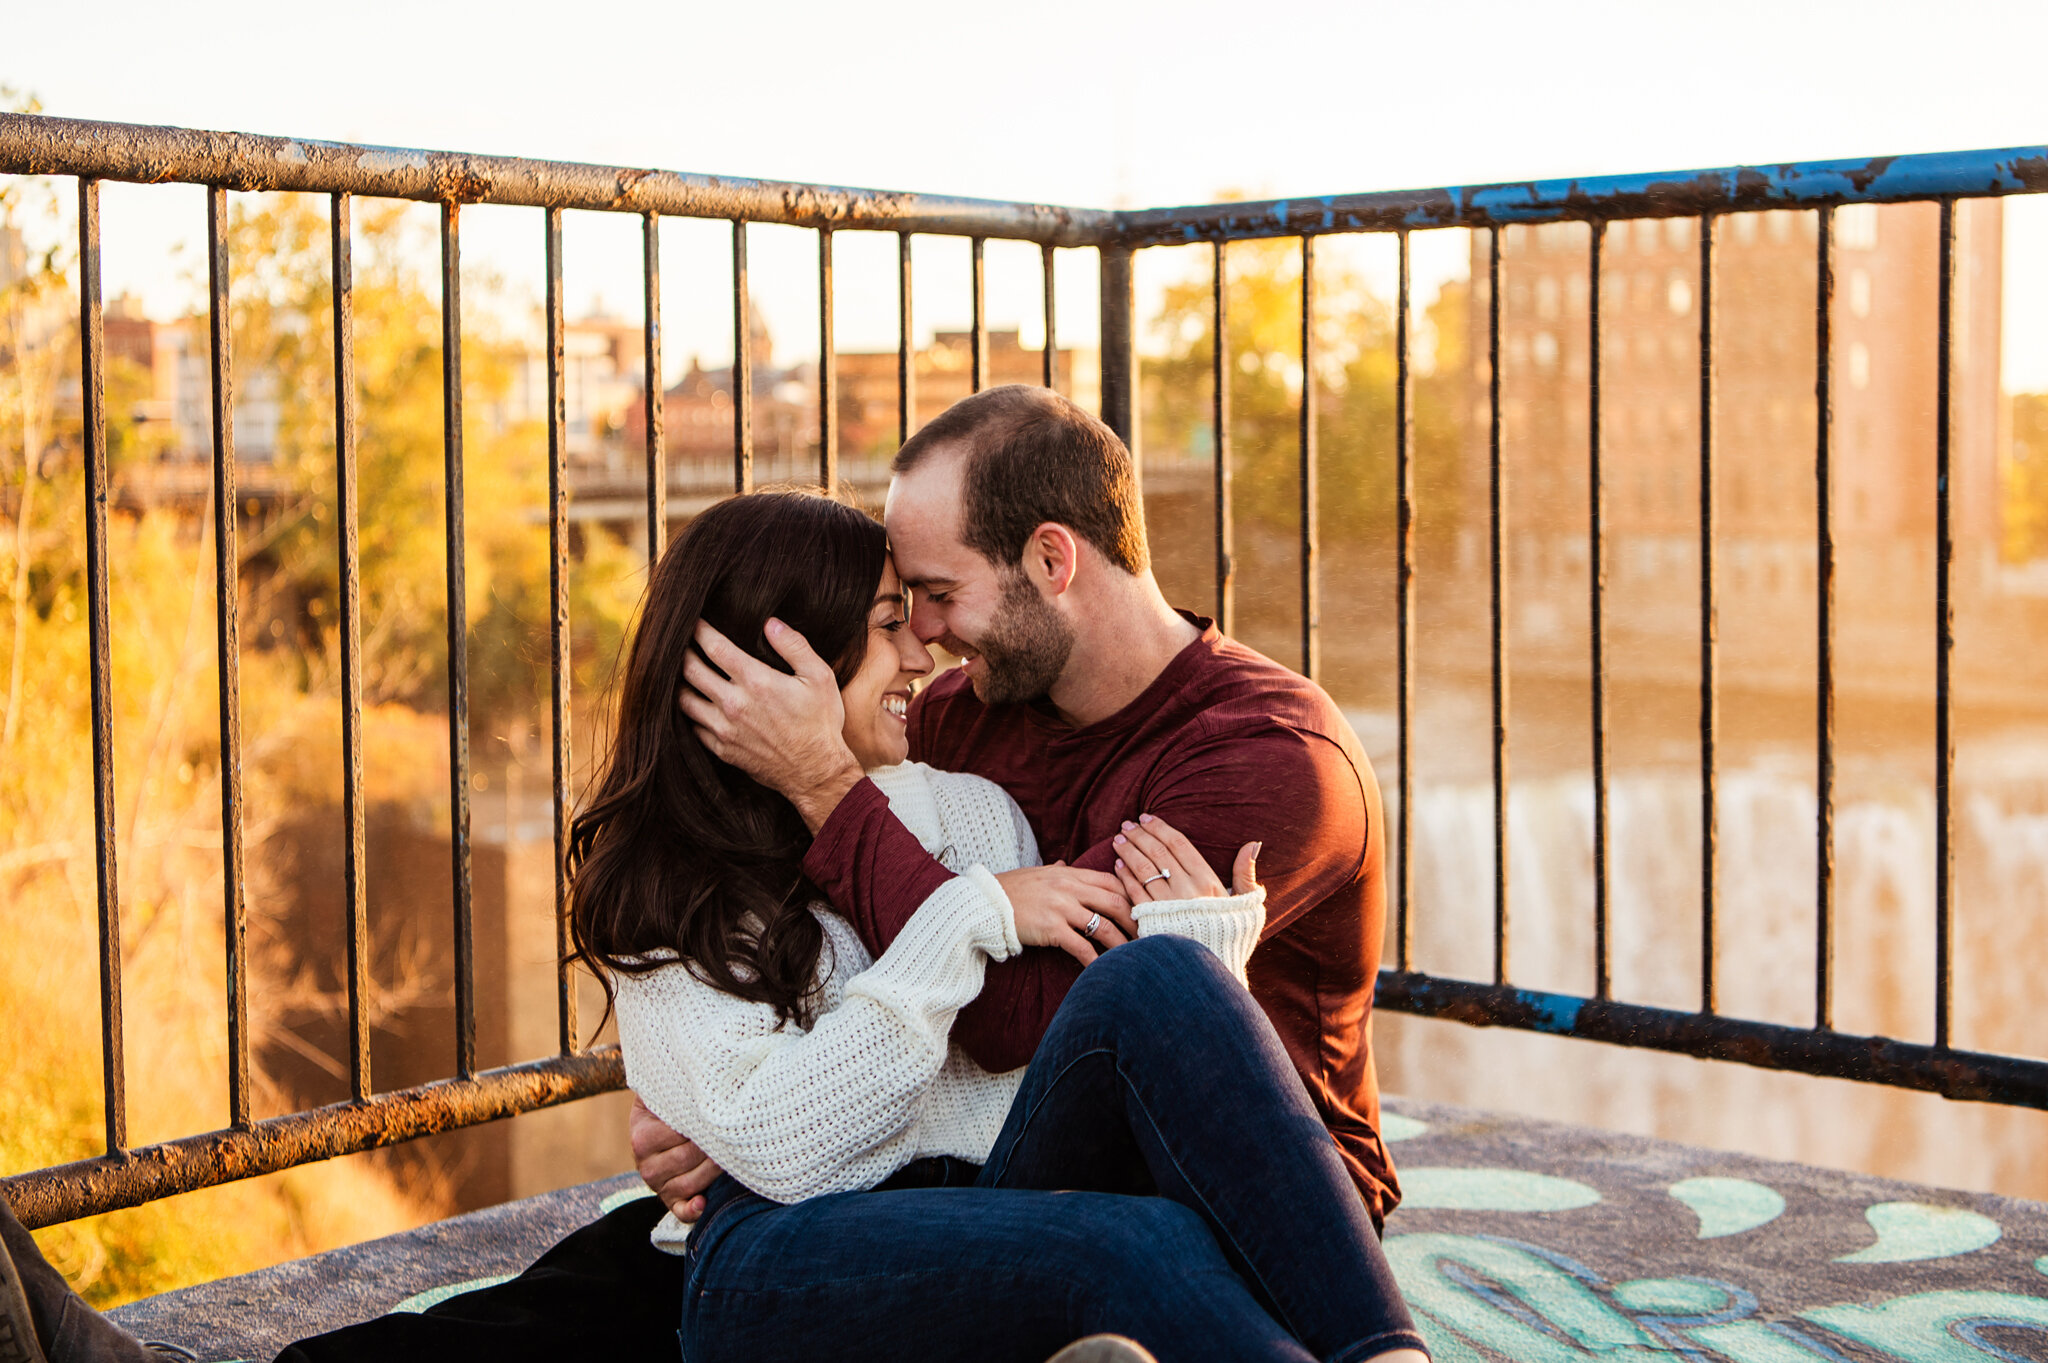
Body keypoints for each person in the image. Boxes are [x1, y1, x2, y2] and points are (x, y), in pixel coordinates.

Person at [566, 489, 1426, 1363]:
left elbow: (1015, 1068)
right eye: (889, 620)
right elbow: (787, 1152)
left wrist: (1200, 953)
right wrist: (968, 914)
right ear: (784, 656)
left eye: (927, 607)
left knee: (1157, 981)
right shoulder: (664, 878)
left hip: (983, 1204)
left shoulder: (973, 808)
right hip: (779, 1253)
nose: (924, 651)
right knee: (1126, 1246)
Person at [640, 383, 1401, 1238]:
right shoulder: (955, 720)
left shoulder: (1265, 758)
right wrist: (713, 1095)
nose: (921, 637)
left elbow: (1020, 1021)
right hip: (1004, 1171)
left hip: (1241, 1198)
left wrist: (825, 785)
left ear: (1051, 560)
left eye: (937, 591)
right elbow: (847, 936)